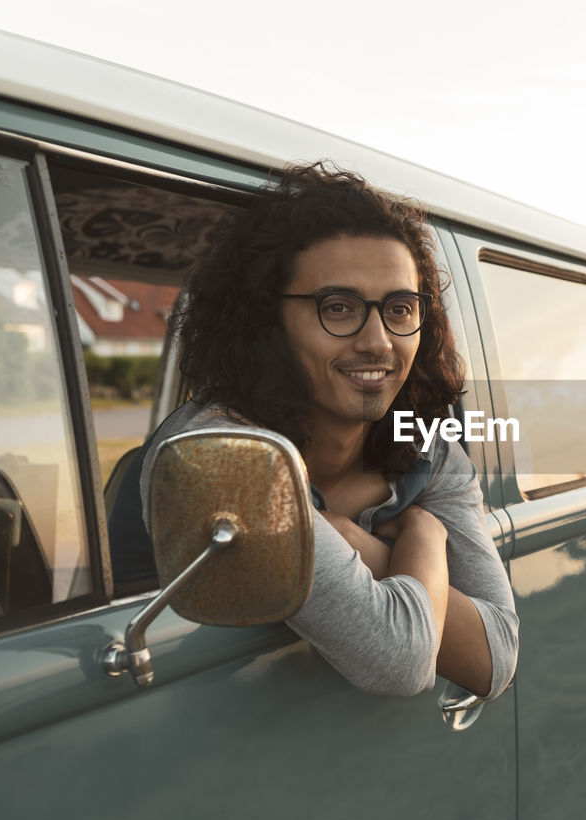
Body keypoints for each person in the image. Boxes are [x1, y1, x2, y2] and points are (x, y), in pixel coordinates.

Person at [108, 163, 517, 700]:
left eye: (399, 309)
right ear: (265, 323)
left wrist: (377, 539)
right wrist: (423, 539)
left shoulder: (426, 449)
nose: (378, 341)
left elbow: (497, 658)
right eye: (338, 307)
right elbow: (402, 662)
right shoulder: (230, 459)